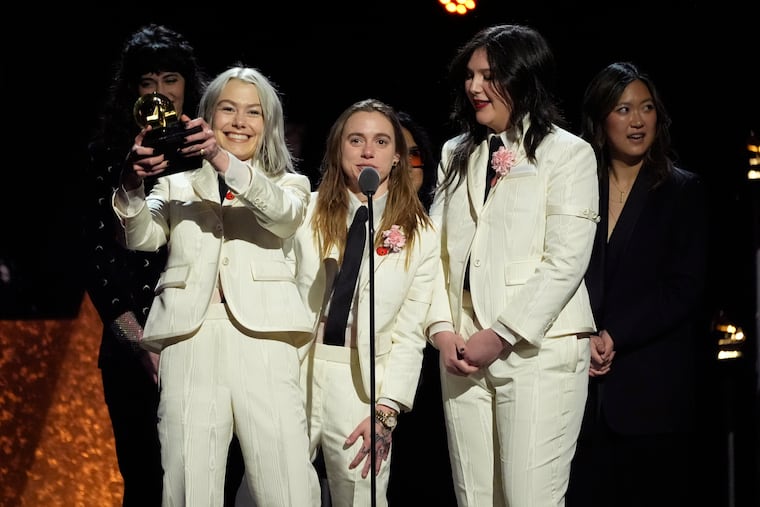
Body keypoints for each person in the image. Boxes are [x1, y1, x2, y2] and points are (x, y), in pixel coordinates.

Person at [111, 64, 320, 507]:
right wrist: (131, 181)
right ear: (207, 117)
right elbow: (139, 237)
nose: (239, 121)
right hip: (190, 339)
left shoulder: (291, 184)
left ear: (269, 125)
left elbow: (283, 218)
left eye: (253, 112)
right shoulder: (176, 185)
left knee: (286, 485)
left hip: (266, 341)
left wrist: (224, 161)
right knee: (188, 486)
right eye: (228, 109)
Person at [426, 24, 600, 506]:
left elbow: (566, 260)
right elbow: (435, 253)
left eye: (488, 75)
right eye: (470, 75)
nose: (474, 86)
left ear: (525, 79)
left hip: (537, 352)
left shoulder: (568, 154)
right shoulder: (456, 153)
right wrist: (442, 329)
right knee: (475, 498)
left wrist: (500, 334)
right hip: (462, 351)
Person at [82, 24, 240, 506]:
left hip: (207, 336)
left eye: (170, 79)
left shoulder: (210, 151)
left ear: (187, 86)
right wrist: (141, 343)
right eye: (147, 81)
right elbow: (97, 257)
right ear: (132, 90)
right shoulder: (107, 157)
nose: (159, 93)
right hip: (134, 344)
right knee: (146, 476)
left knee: (220, 476)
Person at [565, 61, 708, 507]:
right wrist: (583, 333)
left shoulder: (682, 191)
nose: (637, 120)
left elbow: (684, 287)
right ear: (600, 117)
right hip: (578, 389)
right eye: (624, 109)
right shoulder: (574, 189)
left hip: (654, 392)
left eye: (646, 108)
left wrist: (616, 334)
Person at [292, 98, 441, 507]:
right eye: (355, 139)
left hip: (361, 383)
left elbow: (410, 333)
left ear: (397, 156)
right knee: (272, 490)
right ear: (338, 147)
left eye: (380, 141)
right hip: (298, 368)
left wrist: (386, 410)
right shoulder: (305, 209)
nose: (367, 150)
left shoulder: (421, 234)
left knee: (362, 495)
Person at [387, 111, 456, 506]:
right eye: (397, 152)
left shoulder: (440, 223)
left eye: (415, 155)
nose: (406, 164)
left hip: (432, 371)